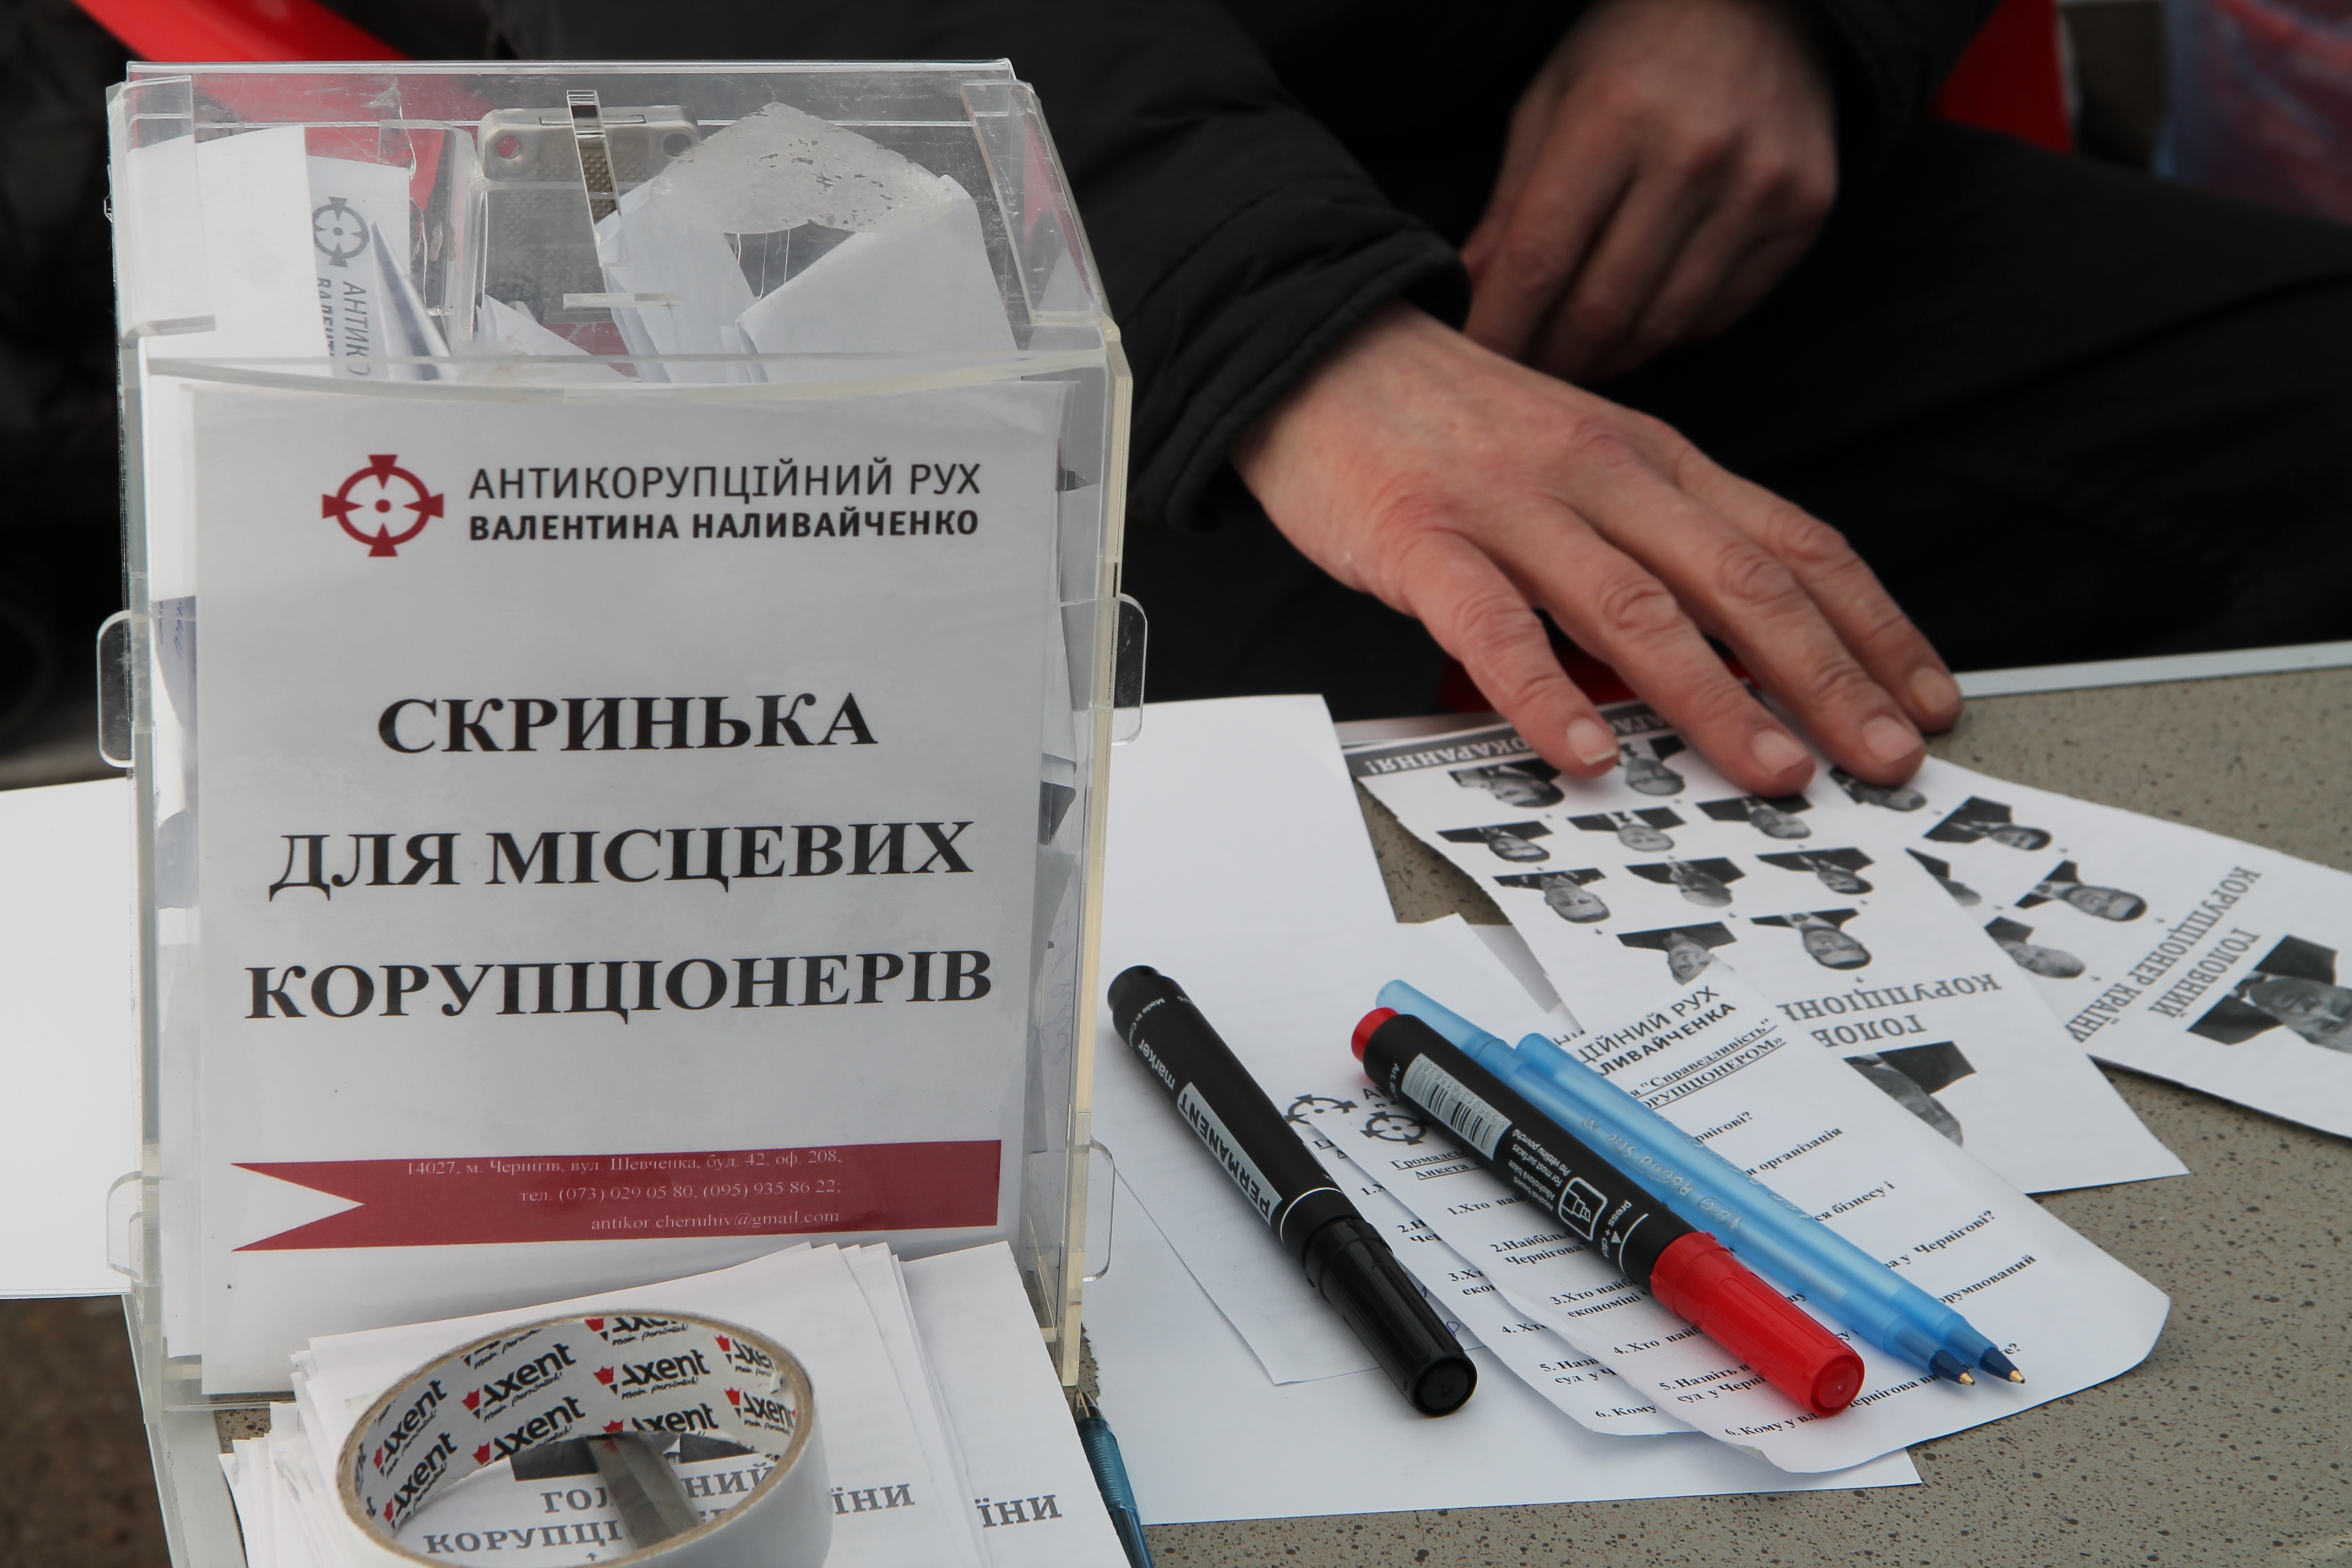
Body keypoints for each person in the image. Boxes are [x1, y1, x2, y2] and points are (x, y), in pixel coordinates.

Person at [2019, 862, 2146, 921]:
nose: (2095, 901)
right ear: (2110, 889)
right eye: (2110, 898)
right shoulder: (2064, 863)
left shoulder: (2023, 908)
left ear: (2091, 914)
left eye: (2101, 909)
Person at [1754, 909, 1871, 968]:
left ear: (1806, 949)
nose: (1828, 943)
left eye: (1822, 951)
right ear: (1855, 940)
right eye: (1846, 947)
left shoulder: (1759, 922)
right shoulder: (1849, 909)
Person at [1926, 798, 2054, 851]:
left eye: (2015, 845)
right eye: (2021, 838)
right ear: (2023, 828)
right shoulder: (1999, 807)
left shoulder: (1967, 840)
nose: (2010, 840)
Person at [1985, 916, 2086, 978]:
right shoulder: (2014, 922)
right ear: (2038, 946)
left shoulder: (1988, 966)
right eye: (2039, 953)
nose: (2023, 954)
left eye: (2031, 963)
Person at [1451, 760, 1565, 809]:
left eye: (1498, 796)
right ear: (1539, 785)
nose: (1495, 791)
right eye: (1510, 792)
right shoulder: (1545, 763)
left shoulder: (1467, 781)